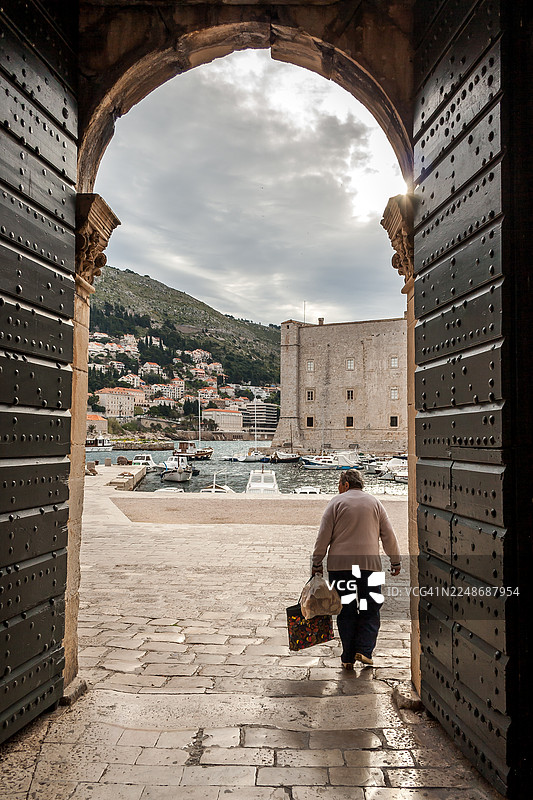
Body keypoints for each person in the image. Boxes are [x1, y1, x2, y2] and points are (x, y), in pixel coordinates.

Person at [311, 469, 401, 669]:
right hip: (370, 566)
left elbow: (323, 537)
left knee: (346, 610)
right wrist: (395, 560)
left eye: (338, 484)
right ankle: (365, 650)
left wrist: (317, 563)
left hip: (340, 567)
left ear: (344, 484)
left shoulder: (335, 503)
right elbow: (388, 535)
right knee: (371, 608)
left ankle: (348, 657)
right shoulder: (376, 503)